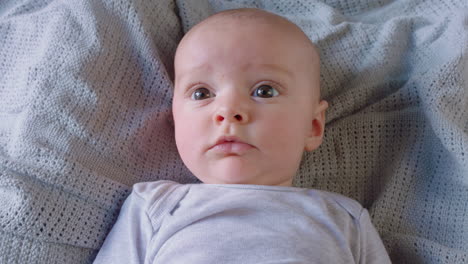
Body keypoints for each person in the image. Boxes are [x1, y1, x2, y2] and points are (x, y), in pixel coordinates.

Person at [93, 8, 391, 263]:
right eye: (202, 93)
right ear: (175, 122)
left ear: (313, 127)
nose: (228, 110)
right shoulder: (155, 206)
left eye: (264, 91)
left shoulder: (344, 218)